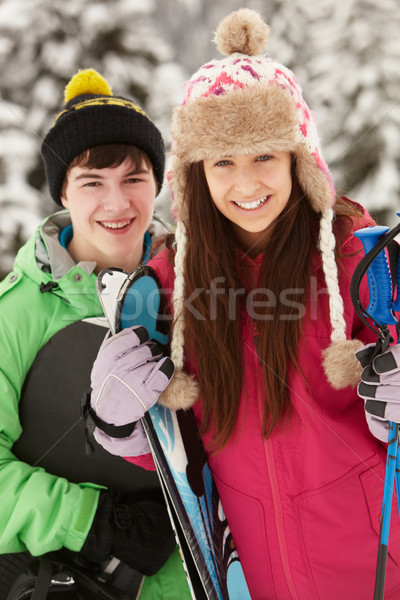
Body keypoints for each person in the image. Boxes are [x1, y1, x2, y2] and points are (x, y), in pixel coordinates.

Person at [88, 9, 400, 600]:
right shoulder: (165, 290)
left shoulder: (364, 267)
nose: (246, 183)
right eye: (223, 162)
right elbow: (184, 457)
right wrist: (119, 424)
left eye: (264, 156)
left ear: (298, 160)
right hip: (255, 579)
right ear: (197, 174)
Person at [0, 68, 190, 599]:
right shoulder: (17, 313)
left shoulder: (201, 289)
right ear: (62, 190)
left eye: (134, 179)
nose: (117, 203)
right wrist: (97, 523)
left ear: (158, 184)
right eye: (92, 182)